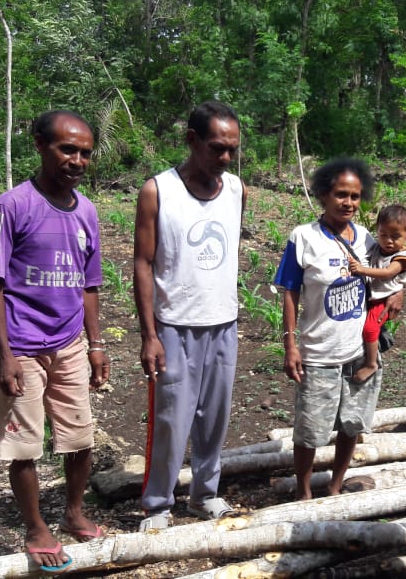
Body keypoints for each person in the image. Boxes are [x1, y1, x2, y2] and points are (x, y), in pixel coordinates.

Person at [0, 109, 109, 574]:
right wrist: (6, 355)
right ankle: (36, 528)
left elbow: (89, 284)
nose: (76, 160)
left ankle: (74, 512)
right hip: (22, 344)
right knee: (25, 446)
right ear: (39, 146)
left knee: (79, 438)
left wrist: (96, 345)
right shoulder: (10, 207)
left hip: (70, 341)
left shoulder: (87, 210)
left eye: (85, 153)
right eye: (66, 149)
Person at [133, 101, 246, 531]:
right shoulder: (158, 191)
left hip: (223, 323)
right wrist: (149, 334)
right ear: (191, 140)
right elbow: (143, 263)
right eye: (217, 148)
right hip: (175, 326)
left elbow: (228, 252)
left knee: (214, 420)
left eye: (232, 149)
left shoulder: (236, 190)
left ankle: (204, 494)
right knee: (171, 419)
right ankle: (158, 503)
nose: (225, 158)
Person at [274, 158, 403, 500]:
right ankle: (303, 492)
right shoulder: (303, 238)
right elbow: (290, 292)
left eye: (356, 196)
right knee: (309, 432)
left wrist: (400, 290)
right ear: (323, 195)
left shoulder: (365, 239)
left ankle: (334, 486)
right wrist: (290, 344)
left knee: (351, 425)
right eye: (341, 194)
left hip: (358, 352)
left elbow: (394, 266)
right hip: (318, 353)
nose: (348, 203)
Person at [347, 205, 406, 383]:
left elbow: (389, 273)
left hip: (383, 300)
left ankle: (371, 363)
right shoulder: (376, 248)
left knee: (370, 328)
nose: (389, 241)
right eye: (383, 235)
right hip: (373, 296)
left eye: (395, 236)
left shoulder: (402, 257)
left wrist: (362, 270)